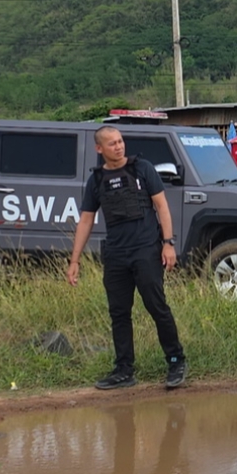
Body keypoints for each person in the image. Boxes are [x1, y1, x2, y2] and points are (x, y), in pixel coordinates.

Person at [67, 125, 187, 391]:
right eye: (112, 143)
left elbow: (162, 206)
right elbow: (86, 220)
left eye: (120, 141)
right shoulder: (96, 180)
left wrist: (168, 244)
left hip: (146, 250)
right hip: (116, 254)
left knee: (157, 306)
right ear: (99, 149)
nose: (119, 146)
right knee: (119, 313)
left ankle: (176, 360)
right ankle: (124, 370)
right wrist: (74, 261)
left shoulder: (142, 169)